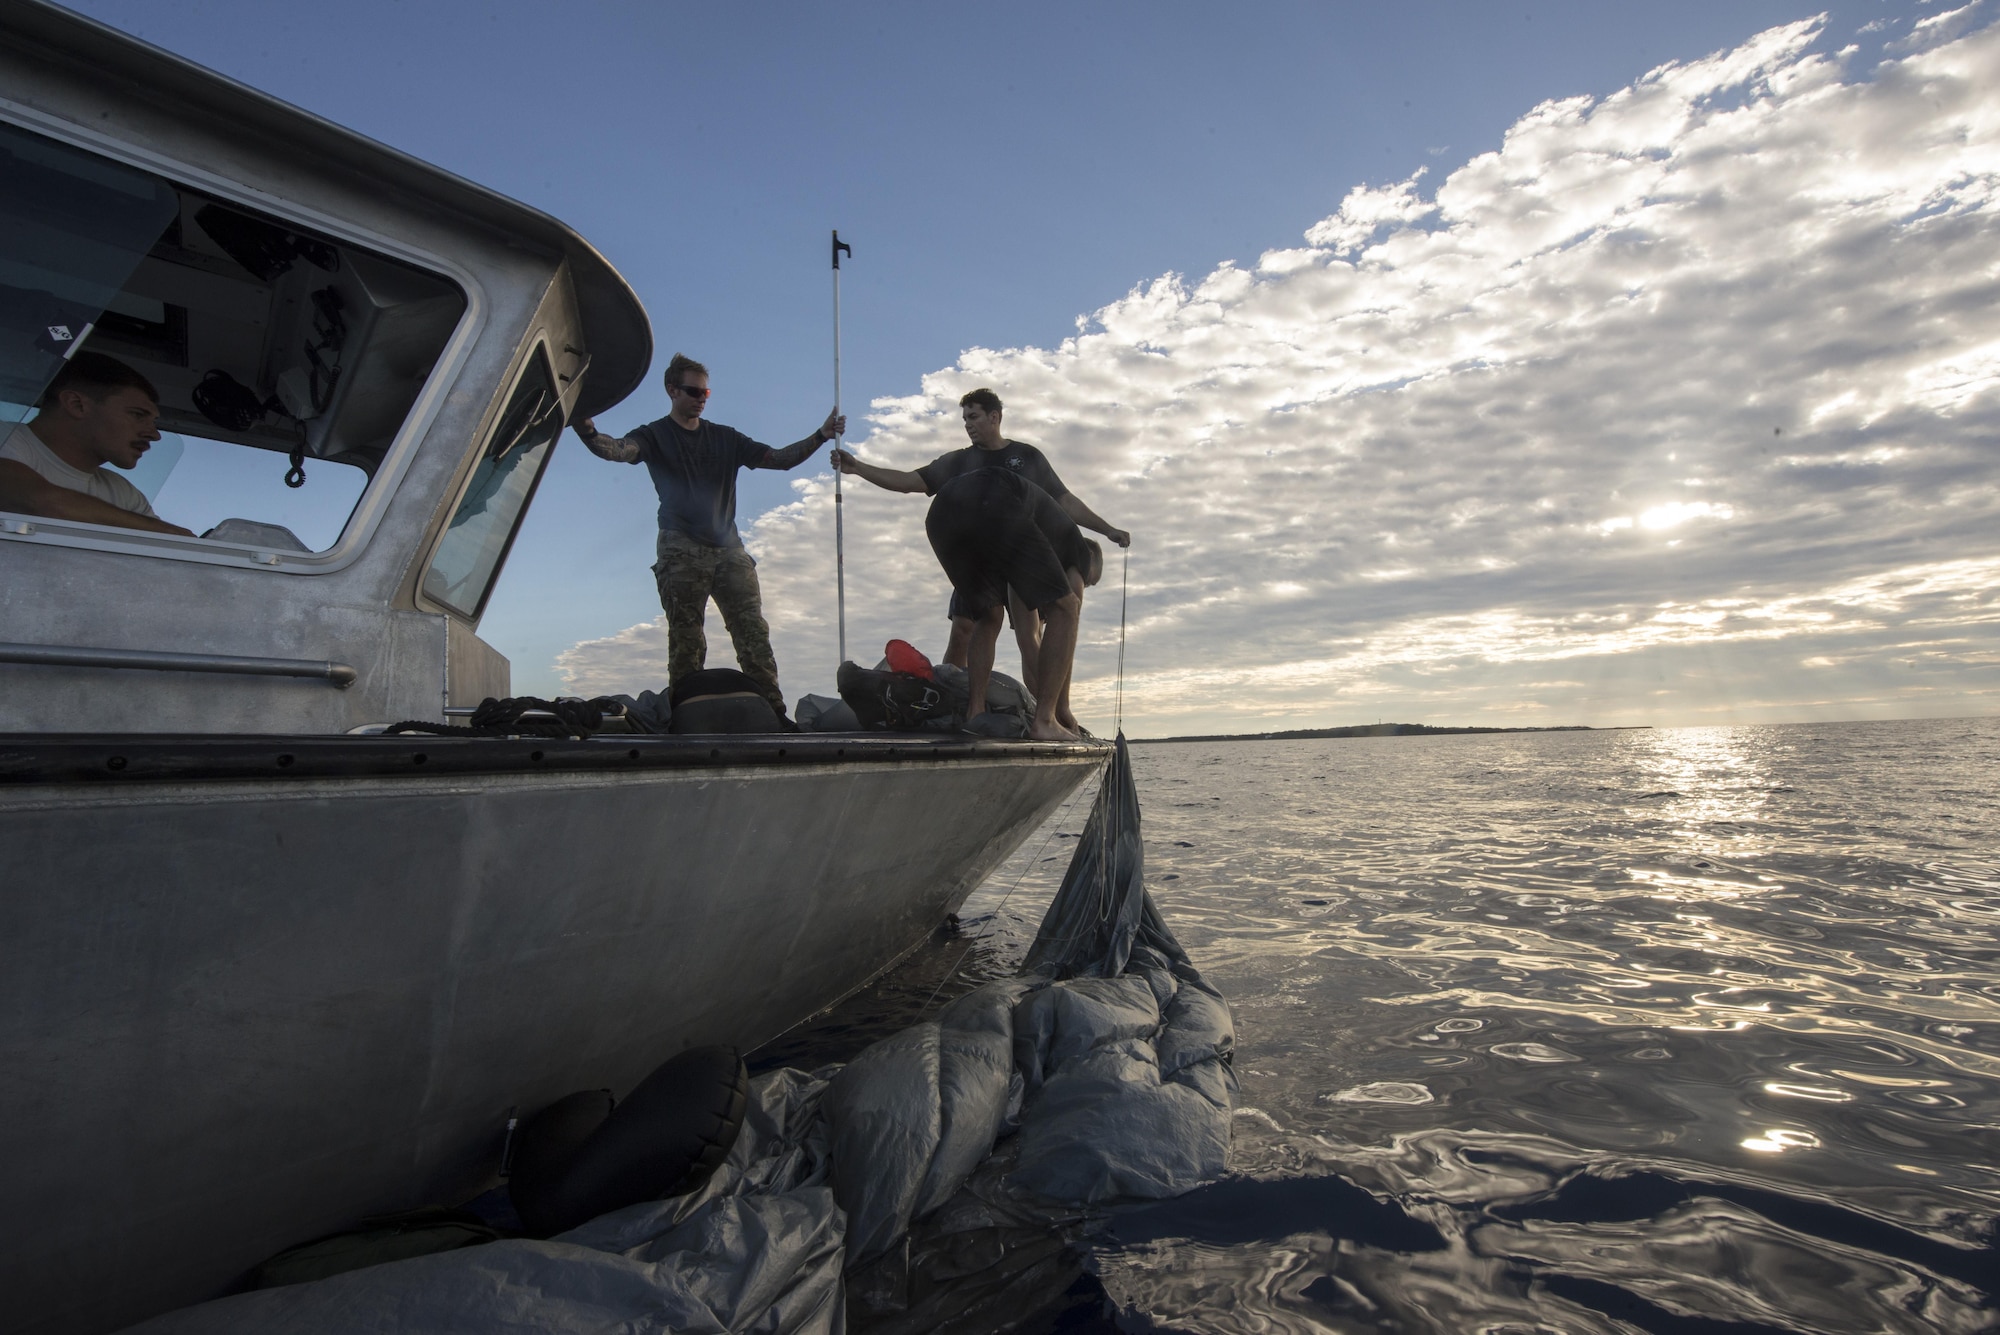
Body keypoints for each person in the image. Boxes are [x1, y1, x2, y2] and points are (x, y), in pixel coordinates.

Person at [834, 387, 1128, 736]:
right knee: (1009, 616)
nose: (968, 426)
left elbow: (1065, 499)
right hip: (979, 534)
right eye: (964, 419)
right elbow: (911, 481)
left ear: (995, 417)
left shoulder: (1026, 456)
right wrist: (859, 468)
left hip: (971, 530)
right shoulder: (959, 461)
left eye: (973, 417)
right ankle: (1034, 716)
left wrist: (1107, 529)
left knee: (1003, 621)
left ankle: (1024, 713)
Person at [575, 353, 841, 721]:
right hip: (680, 548)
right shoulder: (653, 435)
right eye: (693, 391)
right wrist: (586, 428)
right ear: (672, 391)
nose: (701, 398)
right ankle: (686, 717)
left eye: (706, 392)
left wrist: (821, 436)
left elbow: (780, 459)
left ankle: (774, 717)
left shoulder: (726, 438)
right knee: (686, 640)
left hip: (730, 550)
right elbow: (618, 450)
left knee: (753, 634)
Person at [0, 351, 192, 536]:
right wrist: (171, 533)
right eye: (137, 415)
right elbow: (38, 502)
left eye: (153, 422)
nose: (154, 434)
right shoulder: (6, 438)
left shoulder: (123, 493)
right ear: (77, 405)